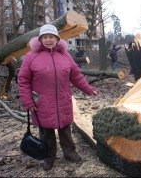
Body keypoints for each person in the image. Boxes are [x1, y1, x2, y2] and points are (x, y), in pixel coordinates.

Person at [18, 24, 98, 171]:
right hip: (42, 103)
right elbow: (23, 80)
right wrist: (28, 101)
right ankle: (48, 157)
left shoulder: (65, 56)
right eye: (45, 37)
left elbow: (76, 76)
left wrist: (88, 90)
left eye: (51, 37)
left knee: (66, 131)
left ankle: (70, 153)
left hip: (63, 101)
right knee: (46, 133)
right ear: (40, 39)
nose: (48, 40)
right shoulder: (31, 57)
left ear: (57, 39)